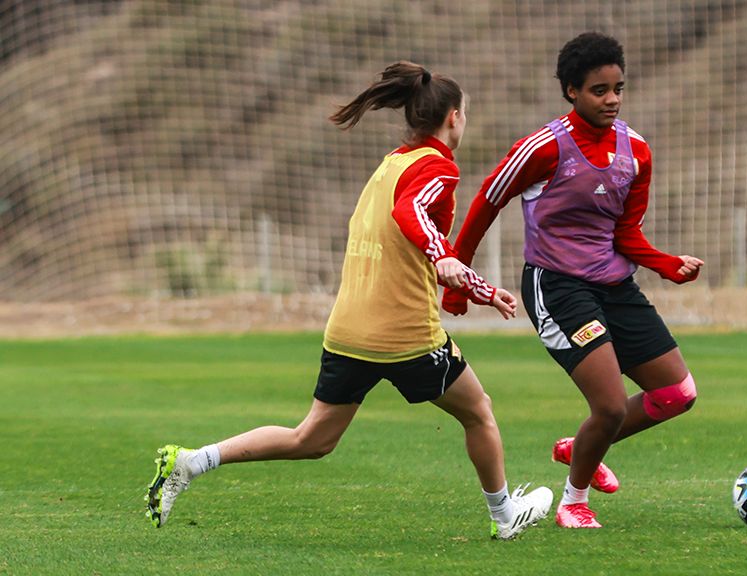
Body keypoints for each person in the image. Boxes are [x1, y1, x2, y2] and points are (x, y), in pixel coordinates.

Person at [146, 61, 552, 540]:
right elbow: (411, 214)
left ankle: (192, 462)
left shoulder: (390, 164)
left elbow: (402, 243)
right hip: (406, 336)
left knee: (312, 439)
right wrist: (445, 257)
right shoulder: (439, 167)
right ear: (454, 118)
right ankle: (505, 517)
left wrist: (475, 288)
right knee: (478, 411)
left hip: (349, 329)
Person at [442, 33, 704, 529]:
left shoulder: (637, 151)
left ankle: (581, 444)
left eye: (618, 89)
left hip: (614, 286)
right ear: (571, 91)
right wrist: (460, 278)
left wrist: (666, 264)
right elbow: (487, 203)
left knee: (677, 394)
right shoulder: (543, 148)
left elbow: (626, 232)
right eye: (599, 90)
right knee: (606, 406)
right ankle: (574, 502)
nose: (612, 100)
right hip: (557, 286)